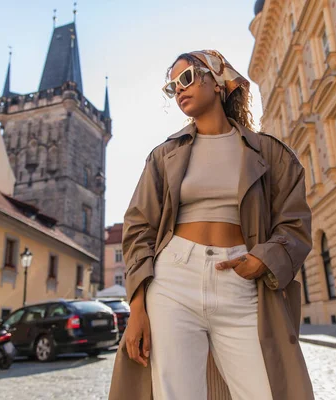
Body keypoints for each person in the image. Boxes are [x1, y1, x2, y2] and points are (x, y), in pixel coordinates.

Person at [109, 50, 314, 400]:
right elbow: (139, 229)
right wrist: (137, 308)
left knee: (266, 389)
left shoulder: (269, 152)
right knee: (175, 393)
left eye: (186, 78)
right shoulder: (164, 155)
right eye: (173, 87)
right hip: (172, 279)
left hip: (241, 278)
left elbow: (294, 222)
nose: (179, 91)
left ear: (216, 81)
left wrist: (263, 259)